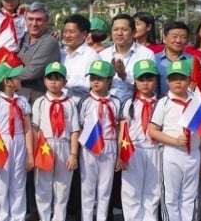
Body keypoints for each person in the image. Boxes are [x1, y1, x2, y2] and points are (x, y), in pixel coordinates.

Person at [148, 60, 201, 221]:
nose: (178, 82)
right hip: (172, 153)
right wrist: (174, 141)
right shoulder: (163, 103)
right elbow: (153, 131)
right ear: (167, 81)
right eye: (174, 79)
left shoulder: (196, 102)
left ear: (189, 80)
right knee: (171, 196)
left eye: (182, 78)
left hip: (193, 154)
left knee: (190, 196)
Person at [0, 62, 34, 221]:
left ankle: (18, 217)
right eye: (16, 77)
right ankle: (3, 217)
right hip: (1, 142)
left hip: (19, 141)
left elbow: (27, 128)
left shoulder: (22, 101)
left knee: (19, 185)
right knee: (2, 186)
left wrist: (30, 154)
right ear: (7, 82)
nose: (20, 79)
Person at [31, 62, 80, 221]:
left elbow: (74, 131)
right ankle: (44, 217)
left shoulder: (70, 103)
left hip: (64, 145)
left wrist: (73, 154)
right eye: (50, 78)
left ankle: (59, 218)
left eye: (58, 78)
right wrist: (34, 152)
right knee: (43, 186)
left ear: (65, 82)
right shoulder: (40, 102)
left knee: (62, 187)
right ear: (44, 80)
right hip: (45, 145)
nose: (53, 81)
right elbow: (34, 129)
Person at [116, 59, 161, 220]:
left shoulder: (162, 103)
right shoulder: (129, 103)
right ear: (135, 80)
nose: (145, 83)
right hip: (133, 151)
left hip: (156, 150)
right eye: (141, 79)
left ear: (156, 80)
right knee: (131, 191)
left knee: (153, 191)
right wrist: (121, 153)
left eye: (149, 79)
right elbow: (123, 130)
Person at [78, 60, 120, 221]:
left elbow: (117, 127)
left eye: (100, 78)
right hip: (89, 145)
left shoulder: (115, 102)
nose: (95, 81)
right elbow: (80, 126)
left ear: (109, 80)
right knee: (87, 188)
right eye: (92, 78)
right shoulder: (85, 101)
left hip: (109, 145)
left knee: (105, 188)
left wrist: (118, 153)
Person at [99, 14, 155, 103]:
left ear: (133, 32)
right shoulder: (103, 55)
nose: (119, 33)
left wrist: (124, 75)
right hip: (107, 104)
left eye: (124, 30)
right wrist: (109, 75)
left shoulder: (146, 54)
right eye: (115, 30)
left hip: (135, 104)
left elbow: (149, 84)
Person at [16, 2, 60, 104]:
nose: (34, 24)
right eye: (30, 19)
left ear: (46, 21)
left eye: (39, 20)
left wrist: (5, 74)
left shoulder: (50, 42)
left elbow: (32, 72)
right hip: (17, 97)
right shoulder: (23, 38)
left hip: (35, 100)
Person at [61, 14, 100, 103]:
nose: (67, 35)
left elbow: (90, 85)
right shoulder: (61, 53)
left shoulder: (91, 56)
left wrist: (63, 82)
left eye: (71, 32)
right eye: (65, 31)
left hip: (80, 105)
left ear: (84, 34)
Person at [155, 22, 192, 96]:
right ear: (165, 38)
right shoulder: (154, 59)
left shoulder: (192, 61)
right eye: (174, 36)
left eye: (183, 37)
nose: (178, 40)